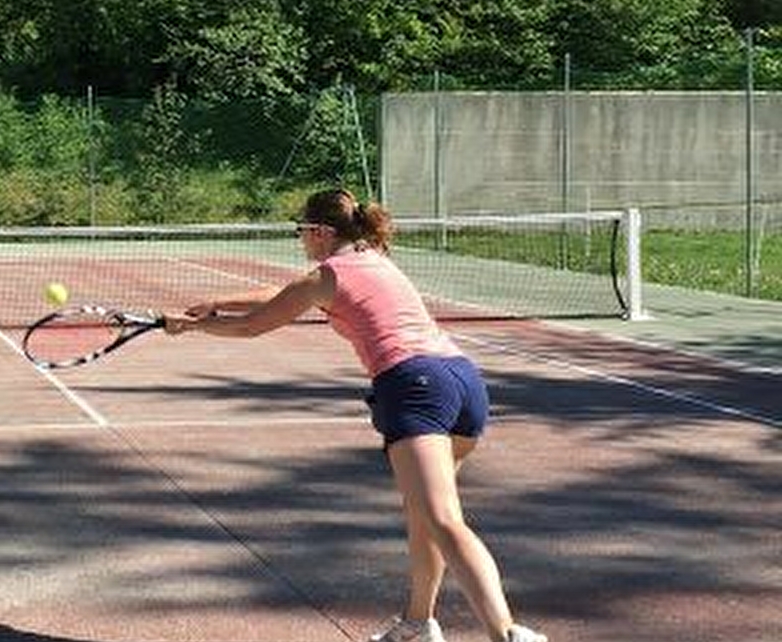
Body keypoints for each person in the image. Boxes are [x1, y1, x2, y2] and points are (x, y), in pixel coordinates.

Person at [162, 189, 546, 642]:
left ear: (321, 232)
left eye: (302, 230)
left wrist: (194, 326)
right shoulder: (371, 257)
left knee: (444, 520)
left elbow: (253, 325)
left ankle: (506, 632)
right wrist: (216, 301)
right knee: (424, 515)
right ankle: (418, 623)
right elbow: (284, 295)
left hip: (415, 385)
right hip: (463, 382)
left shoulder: (327, 276)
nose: (300, 238)